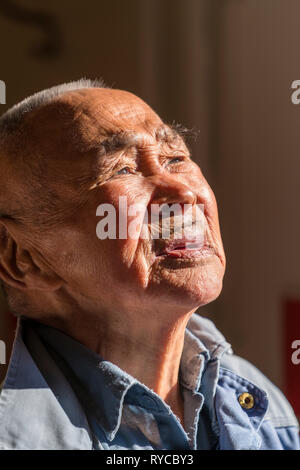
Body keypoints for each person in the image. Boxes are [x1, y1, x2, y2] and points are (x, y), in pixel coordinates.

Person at [0, 79, 298, 450]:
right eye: (122, 169)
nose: (184, 192)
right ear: (23, 259)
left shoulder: (257, 406)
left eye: (176, 159)